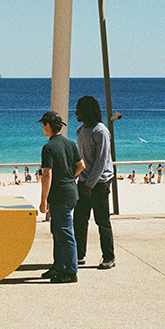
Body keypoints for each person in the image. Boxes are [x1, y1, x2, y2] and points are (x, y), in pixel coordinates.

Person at [38, 111, 85, 284]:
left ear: (49, 126)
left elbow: (47, 175)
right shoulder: (69, 143)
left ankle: (71, 271)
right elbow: (81, 165)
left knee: (64, 232)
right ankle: (58, 266)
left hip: (59, 195)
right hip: (71, 192)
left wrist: (43, 199)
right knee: (58, 231)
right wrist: (68, 177)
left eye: (43, 125)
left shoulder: (48, 147)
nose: (42, 128)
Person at [73, 96, 116, 270]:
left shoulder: (101, 131)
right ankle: (79, 255)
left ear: (87, 110)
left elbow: (101, 160)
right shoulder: (80, 130)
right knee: (79, 220)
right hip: (84, 181)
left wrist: (90, 184)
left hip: (100, 183)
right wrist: (78, 178)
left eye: (79, 109)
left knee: (102, 220)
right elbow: (81, 159)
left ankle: (109, 257)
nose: (76, 112)